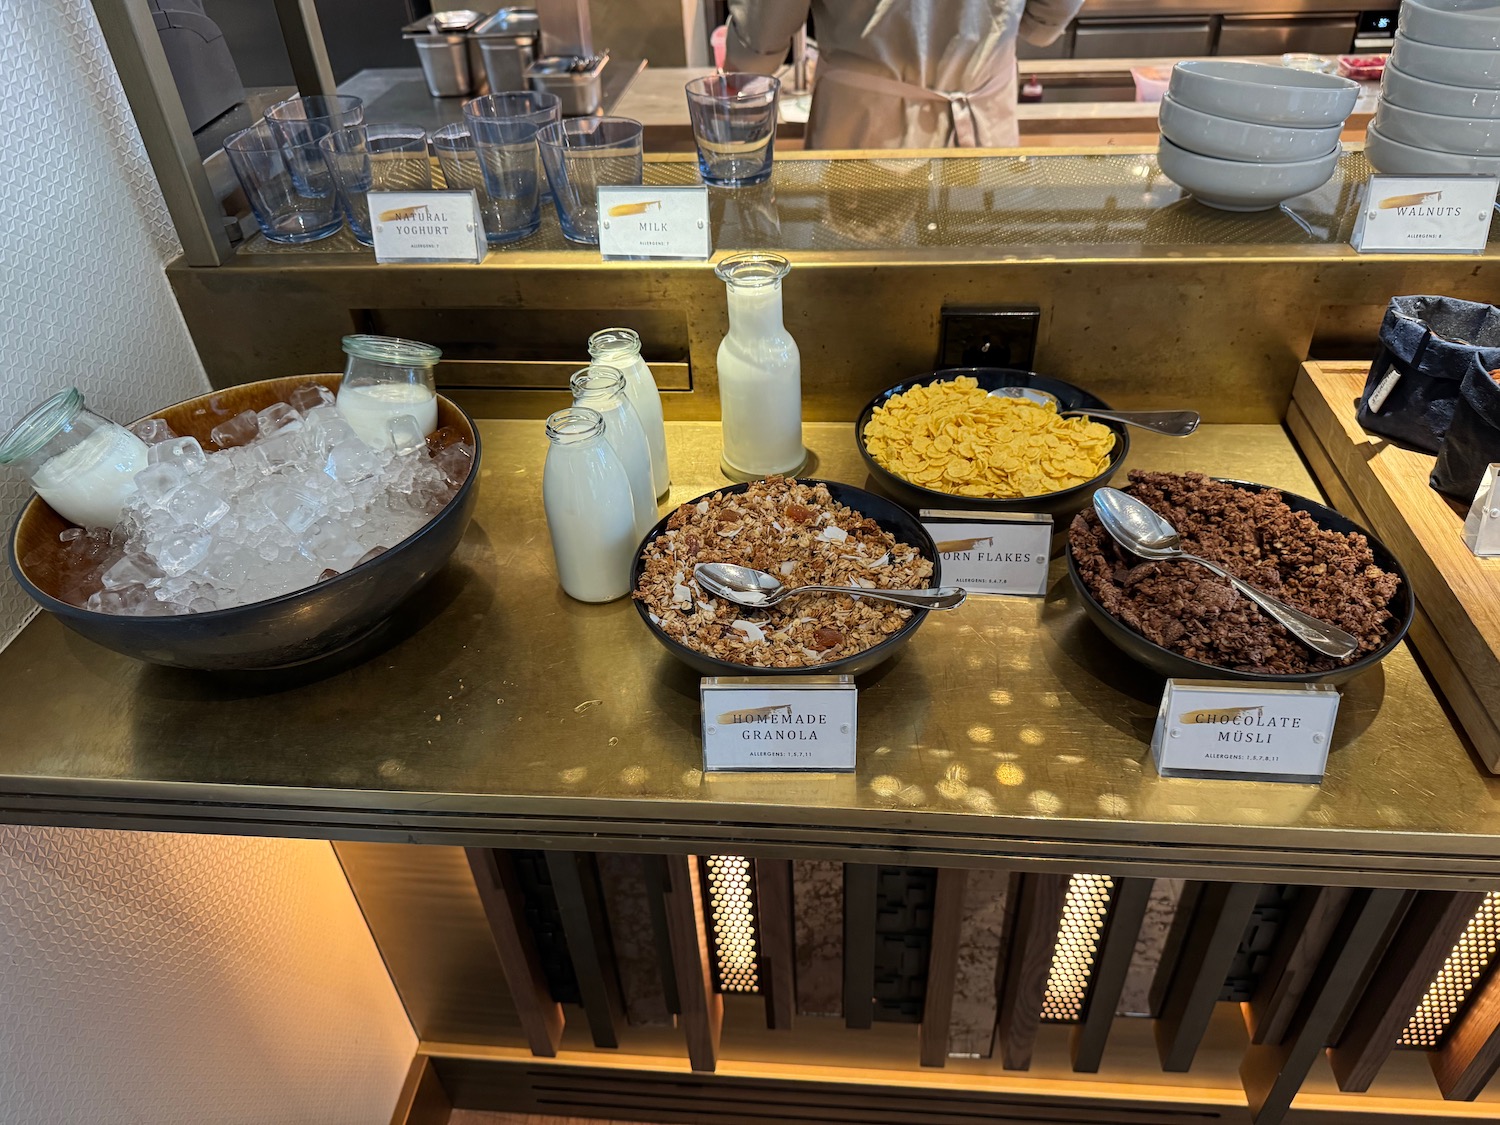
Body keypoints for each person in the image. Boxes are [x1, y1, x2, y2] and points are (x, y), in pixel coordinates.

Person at [724, 0, 1085, 150]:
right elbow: (1043, 28)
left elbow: (761, 37)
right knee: (973, 290)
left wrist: (743, 63)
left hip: (863, 132)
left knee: (862, 290)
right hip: (984, 124)